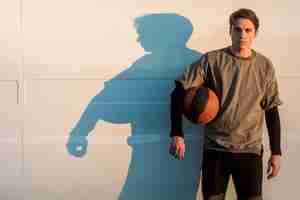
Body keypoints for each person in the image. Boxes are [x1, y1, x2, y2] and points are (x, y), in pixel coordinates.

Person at [169, 8, 283, 200]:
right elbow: (178, 93)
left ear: (255, 33)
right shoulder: (211, 61)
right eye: (237, 29)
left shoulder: (264, 66)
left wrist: (276, 152)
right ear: (230, 31)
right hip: (216, 149)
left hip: (250, 150)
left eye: (248, 30)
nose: (242, 35)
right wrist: (177, 134)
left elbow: (271, 110)